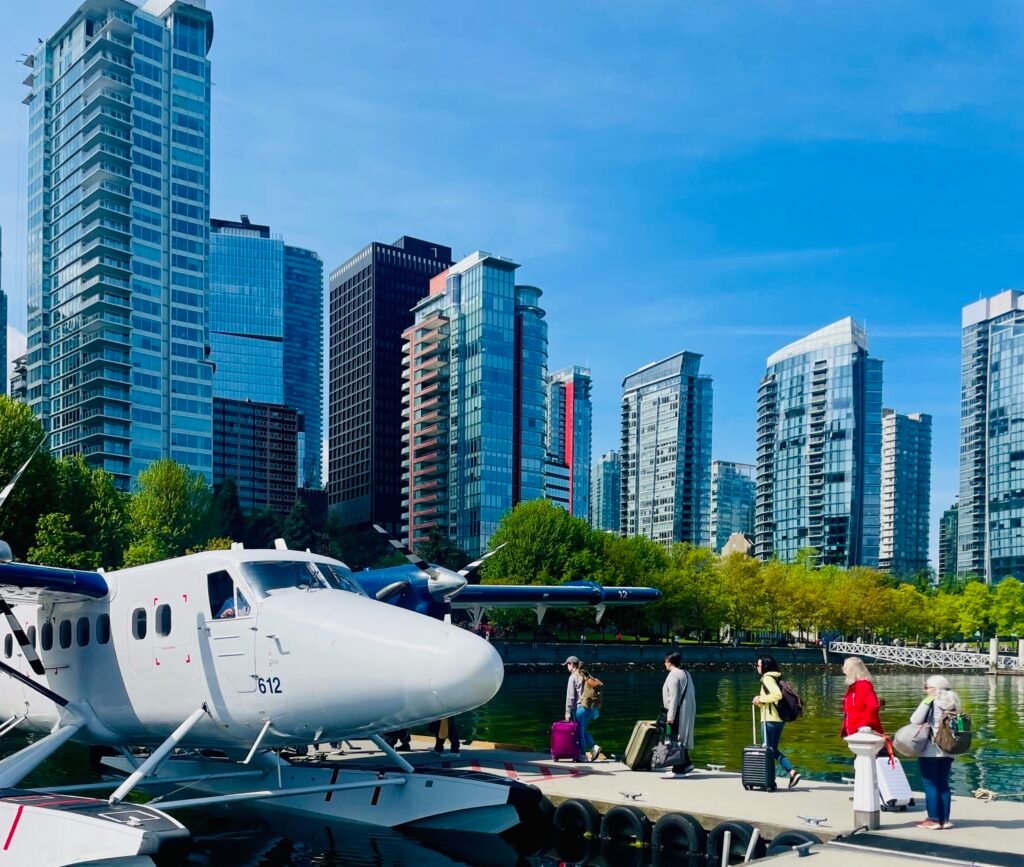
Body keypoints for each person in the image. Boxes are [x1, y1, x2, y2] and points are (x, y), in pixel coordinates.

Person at [911, 674, 962, 830]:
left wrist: (927, 700)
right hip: (949, 749)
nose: (925, 690)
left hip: (932, 749)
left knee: (930, 783)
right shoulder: (954, 700)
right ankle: (944, 820)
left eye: (927, 687)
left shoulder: (932, 700)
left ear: (935, 688)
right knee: (943, 783)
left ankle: (933, 820)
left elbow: (915, 720)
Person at [753, 656, 800, 788]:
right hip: (779, 720)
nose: (757, 668)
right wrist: (760, 702)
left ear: (765, 667)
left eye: (758, 665)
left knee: (768, 751)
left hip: (769, 720)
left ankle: (770, 781)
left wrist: (760, 698)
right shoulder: (776, 677)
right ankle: (791, 772)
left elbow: (777, 695)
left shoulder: (767, 678)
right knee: (772, 750)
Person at [660, 652, 696, 778]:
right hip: (687, 711)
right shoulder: (686, 673)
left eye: (665, 661)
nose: (664, 664)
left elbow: (674, 697)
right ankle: (683, 765)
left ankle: (681, 767)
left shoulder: (673, 675)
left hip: (677, 712)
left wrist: (670, 717)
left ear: (670, 662)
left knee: (676, 739)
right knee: (680, 739)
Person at [563, 656, 599, 761]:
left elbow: (570, 697)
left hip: (580, 709)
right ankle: (594, 747)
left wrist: (568, 713)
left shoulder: (573, 677)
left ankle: (583, 755)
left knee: (579, 732)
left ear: (571, 664)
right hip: (590, 708)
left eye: (567, 665)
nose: (566, 667)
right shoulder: (585, 674)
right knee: (583, 730)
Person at [840, 657, 884, 737]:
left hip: (864, 731)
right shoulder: (853, 687)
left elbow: (873, 706)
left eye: (846, 667)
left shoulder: (863, 685)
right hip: (854, 731)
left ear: (853, 670)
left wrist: (864, 724)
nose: (843, 670)